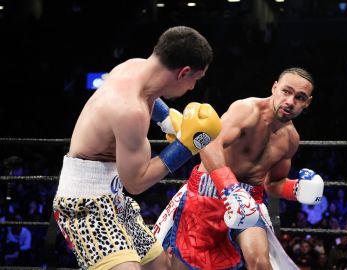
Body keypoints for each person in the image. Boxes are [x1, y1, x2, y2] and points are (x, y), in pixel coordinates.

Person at [53, 26, 221, 270]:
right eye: (195, 79)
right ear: (184, 72)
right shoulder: (131, 111)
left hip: (115, 200)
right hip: (84, 206)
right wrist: (187, 146)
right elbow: (136, 182)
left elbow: (149, 96)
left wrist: (166, 119)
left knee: (162, 267)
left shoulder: (132, 67)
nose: (192, 88)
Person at [154, 68, 324, 269]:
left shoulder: (291, 140)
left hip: (249, 202)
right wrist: (230, 189)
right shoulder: (246, 110)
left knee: (261, 263)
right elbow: (208, 143)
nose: (290, 101)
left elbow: (273, 184)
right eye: (286, 91)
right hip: (207, 193)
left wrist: (295, 189)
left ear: (307, 102)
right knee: (186, 264)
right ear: (275, 87)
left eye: (299, 97)